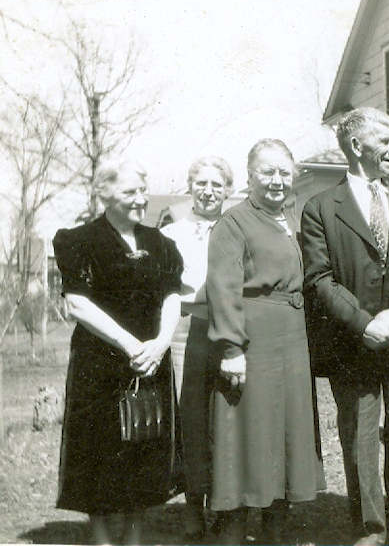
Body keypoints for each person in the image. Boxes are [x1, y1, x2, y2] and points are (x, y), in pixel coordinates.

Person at [301, 107, 389, 546]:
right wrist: (364, 324)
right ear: (357, 145)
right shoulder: (320, 208)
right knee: (360, 445)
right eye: (385, 140)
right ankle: (370, 532)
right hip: (353, 347)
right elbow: (319, 279)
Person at [52, 158, 183, 545]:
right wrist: (131, 345)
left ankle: (135, 537)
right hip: (101, 364)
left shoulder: (161, 243)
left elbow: (172, 296)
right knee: (100, 450)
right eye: (129, 192)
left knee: (145, 447)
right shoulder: (78, 241)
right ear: (104, 193)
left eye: (143, 190)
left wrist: (160, 343)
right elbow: (77, 304)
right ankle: (102, 539)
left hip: (150, 362)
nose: (140, 199)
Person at [206, 140, 321, 544]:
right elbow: (222, 288)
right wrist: (232, 348)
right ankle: (232, 534)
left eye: (284, 173)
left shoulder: (290, 220)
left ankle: (276, 533)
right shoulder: (233, 223)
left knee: (283, 439)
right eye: (267, 172)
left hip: (291, 342)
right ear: (250, 176)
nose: (277, 180)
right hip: (253, 342)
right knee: (245, 438)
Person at [160, 155, 234, 538]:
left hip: (228, 327)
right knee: (190, 417)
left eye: (216, 184)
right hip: (185, 327)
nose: (208, 191)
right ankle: (193, 504)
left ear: (228, 190)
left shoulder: (236, 228)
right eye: (201, 183)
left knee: (224, 416)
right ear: (190, 188)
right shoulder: (172, 233)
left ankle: (222, 502)